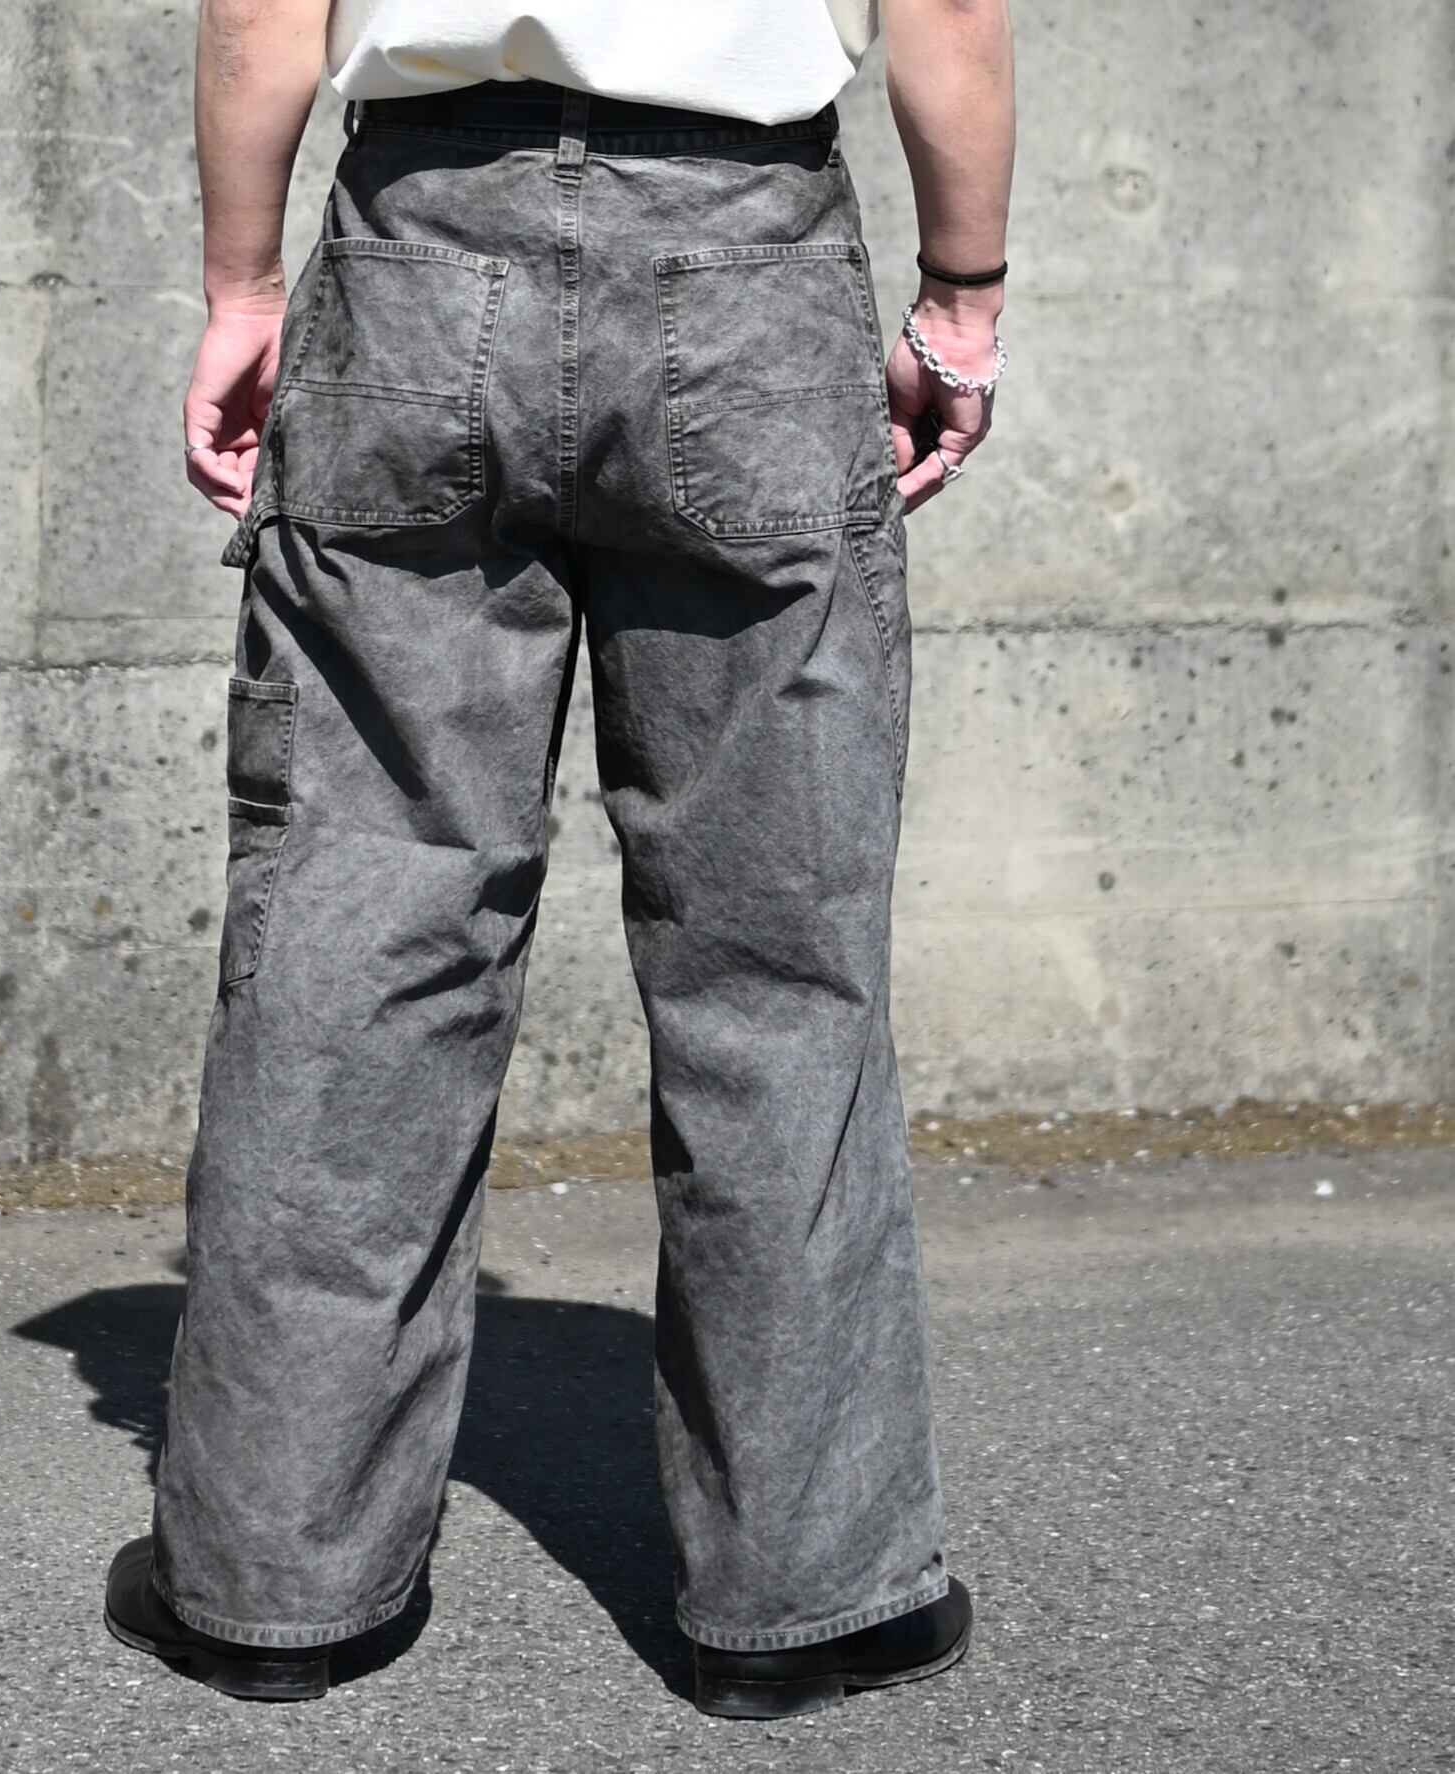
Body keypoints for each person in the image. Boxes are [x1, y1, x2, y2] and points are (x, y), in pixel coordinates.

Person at [104, 0, 1014, 1722]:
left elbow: (260, 15)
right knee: (774, 957)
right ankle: (806, 1594)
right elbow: (947, 12)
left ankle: (271, 1586)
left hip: (418, 248)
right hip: (745, 260)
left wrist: (241, 286)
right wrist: (960, 299)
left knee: (359, 924)